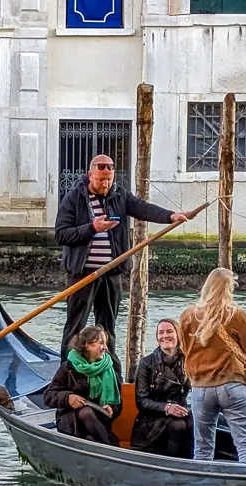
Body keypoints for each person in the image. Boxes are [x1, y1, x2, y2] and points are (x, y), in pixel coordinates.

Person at [55, 154, 190, 370]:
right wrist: (92, 228)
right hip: (83, 273)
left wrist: (171, 216)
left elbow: (144, 209)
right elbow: (61, 234)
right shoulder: (74, 198)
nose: (105, 184)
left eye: (108, 179)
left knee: (108, 327)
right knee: (75, 326)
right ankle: (67, 372)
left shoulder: (119, 196)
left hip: (111, 273)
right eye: (100, 179)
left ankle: (111, 373)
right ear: (90, 175)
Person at [180, 268, 246, 463]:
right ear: (229, 289)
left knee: (203, 447)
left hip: (201, 387)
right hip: (233, 382)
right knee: (245, 443)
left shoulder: (188, 316)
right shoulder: (236, 315)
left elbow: (183, 348)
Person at [44, 325, 122, 445]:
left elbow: (117, 403)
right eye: (101, 343)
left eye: (106, 343)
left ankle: (103, 444)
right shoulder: (68, 368)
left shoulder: (110, 368)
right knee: (85, 412)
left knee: (90, 425)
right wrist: (68, 398)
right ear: (87, 345)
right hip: (71, 421)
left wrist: (111, 407)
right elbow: (48, 396)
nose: (105, 348)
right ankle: (110, 446)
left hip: (98, 421)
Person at [131, 319, 193, 458]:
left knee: (196, 420)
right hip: (152, 418)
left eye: (169, 331)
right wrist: (167, 407)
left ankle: (195, 462)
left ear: (178, 335)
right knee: (178, 426)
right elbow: (141, 401)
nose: (165, 336)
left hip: (180, 411)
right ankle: (172, 464)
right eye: (161, 332)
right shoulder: (146, 363)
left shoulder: (188, 359)